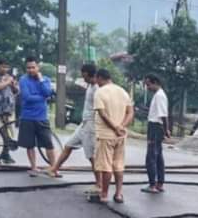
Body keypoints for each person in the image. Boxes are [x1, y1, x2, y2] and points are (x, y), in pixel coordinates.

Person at [49, 63, 98, 179]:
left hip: (91, 125)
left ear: (87, 74)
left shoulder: (97, 88)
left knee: (91, 156)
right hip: (84, 123)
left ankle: (99, 183)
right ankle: (54, 169)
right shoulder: (90, 86)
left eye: (83, 75)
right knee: (68, 145)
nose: (83, 77)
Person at [92, 68, 134, 204]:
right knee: (119, 165)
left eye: (96, 80)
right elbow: (130, 112)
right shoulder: (123, 92)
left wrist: (115, 127)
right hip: (120, 135)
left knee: (106, 166)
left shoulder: (100, 92)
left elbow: (103, 114)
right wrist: (122, 126)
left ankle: (104, 194)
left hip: (106, 134)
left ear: (99, 78)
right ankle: (119, 193)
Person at [17, 56, 59, 176]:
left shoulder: (45, 79)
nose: (30, 70)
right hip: (27, 117)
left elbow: (47, 92)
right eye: (28, 68)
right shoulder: (23, 80)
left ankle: (53, 168)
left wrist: (40, 80)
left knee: (48, 144)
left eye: (33, 67)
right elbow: (27, 97)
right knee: (30, 145)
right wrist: (42, 98)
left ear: (38, 67)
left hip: (42, 117)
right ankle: (34, 167)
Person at [142, 74, 170, 194]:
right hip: (155, 126)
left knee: (151, 157)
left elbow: (163, 115)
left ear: (155, 83)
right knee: (158, 156)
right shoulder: (159, 96)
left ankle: (153, 184)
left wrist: (166, 129)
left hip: (155, 128)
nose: (147, 87)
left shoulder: (159, 96)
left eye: (148, 85)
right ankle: (159, 183)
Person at [0, 59, 19, 164]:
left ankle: (6, 154)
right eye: (3, 67)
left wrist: (13, 85)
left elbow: (17, 91)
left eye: (7, 67)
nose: (5, 69)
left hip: (8, 109)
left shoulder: (9, 77)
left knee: (8, 133)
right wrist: (6, 82)